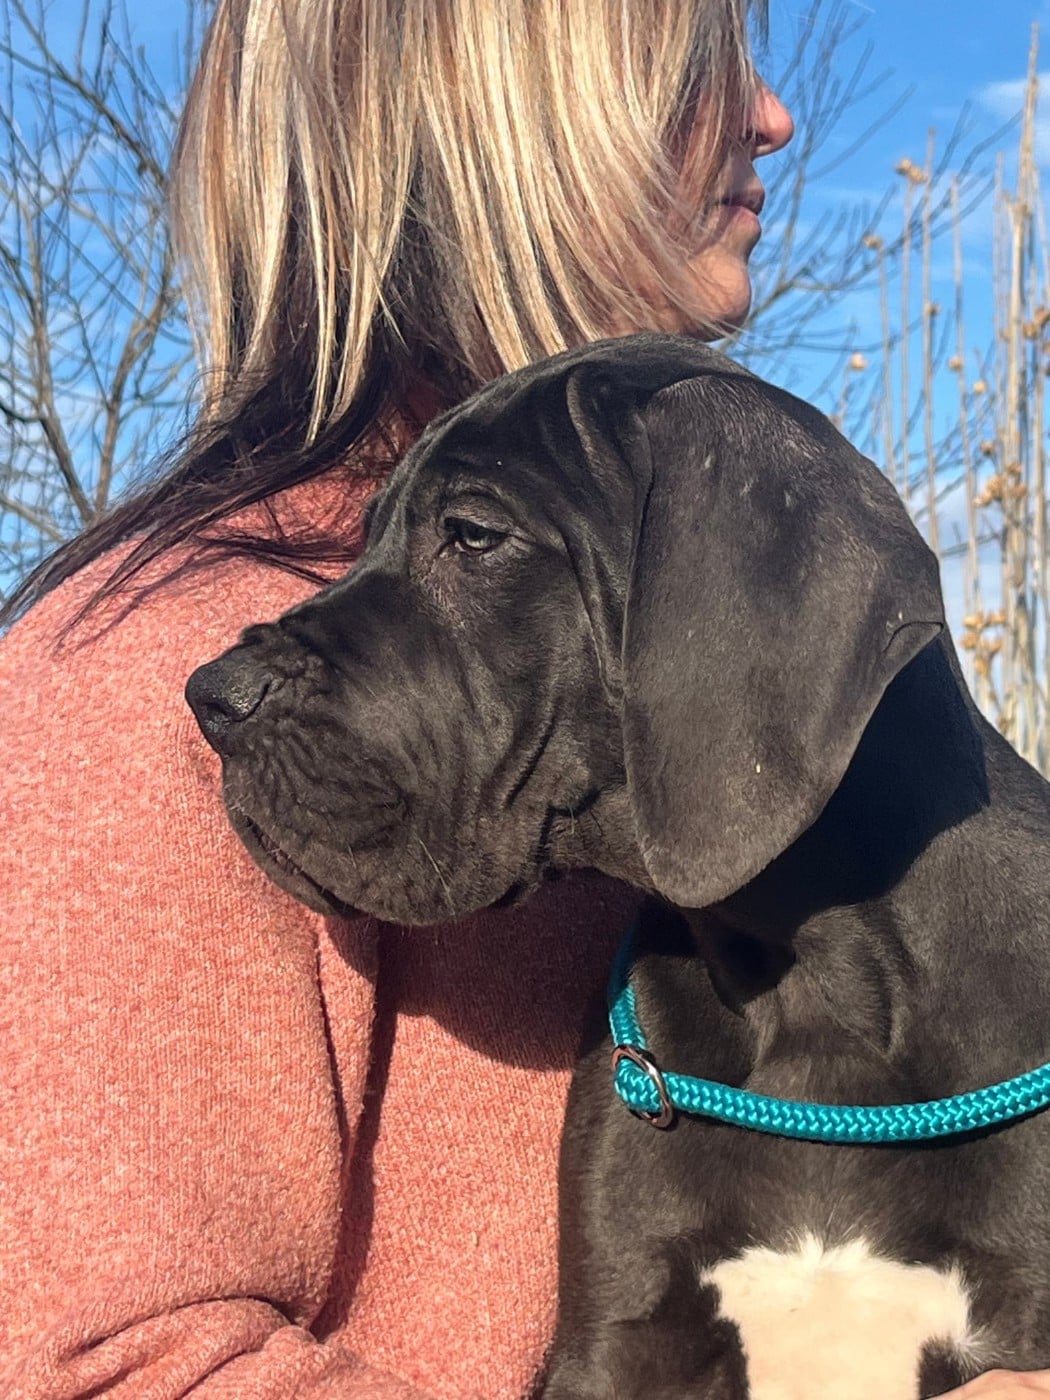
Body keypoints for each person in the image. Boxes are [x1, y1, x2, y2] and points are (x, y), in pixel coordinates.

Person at [0, 1, 1044, 1396]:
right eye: (694, 63)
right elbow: (106, 1364)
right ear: (500, 116)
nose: (771, 116)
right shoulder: (135, 682)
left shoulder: (679, 592)